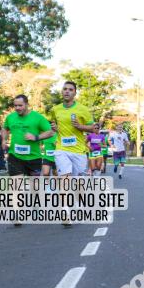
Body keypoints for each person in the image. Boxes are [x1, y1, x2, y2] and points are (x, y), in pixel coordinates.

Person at [47, 81, 95, 226]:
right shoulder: (55, 109)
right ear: (62, 92)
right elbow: (54, 125)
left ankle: (79, 204)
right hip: (61, 149)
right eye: (65, 89)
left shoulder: (83, 109)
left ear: (75, 93)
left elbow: (93, 128)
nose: (67, 91)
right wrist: (53, 127)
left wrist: (80, 126)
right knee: (64, 180)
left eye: (70, 89)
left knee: (79, 185)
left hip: (79, 151)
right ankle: (65, 213)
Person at [2, 94, 55, 225]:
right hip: (15, 156)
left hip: (34, 158)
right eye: (15, 106)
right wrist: (4, 139)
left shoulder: (37, 118)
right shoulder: (10, 117)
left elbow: (50, 132)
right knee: (15, 185)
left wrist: (36, 137)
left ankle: (36, 205)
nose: (17, 108)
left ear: (26, 104)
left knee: (35, 186)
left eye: (20, 105)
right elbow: (5, 128)